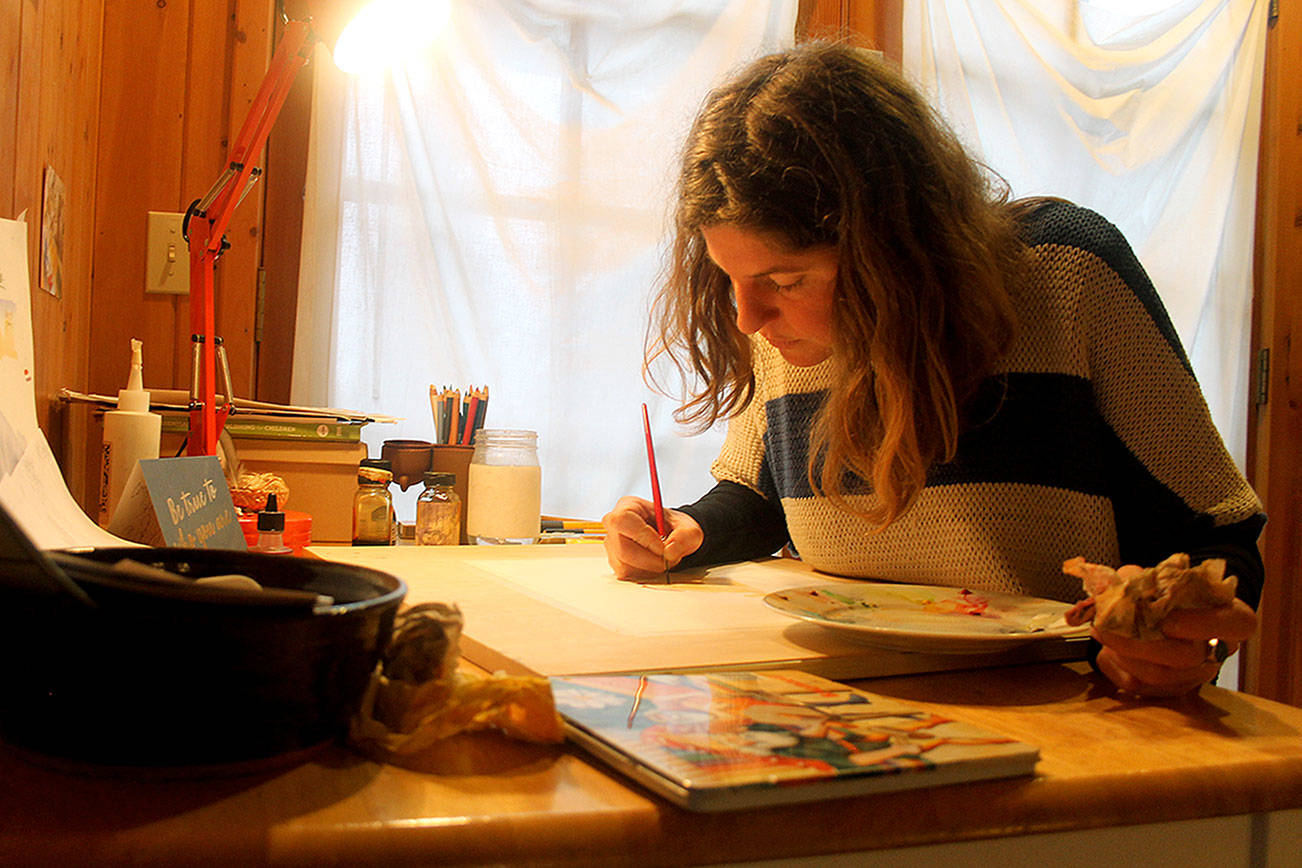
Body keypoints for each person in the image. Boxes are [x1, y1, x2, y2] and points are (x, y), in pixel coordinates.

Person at [602, 42, 1264, 697]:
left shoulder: (1069, 276)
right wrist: (691, 529)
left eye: (784, 278)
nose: (747, 318)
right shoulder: (784, 330)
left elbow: (1218, 540)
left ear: (893, 249)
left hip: (1063, 712)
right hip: (843, 700)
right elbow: (763, 497)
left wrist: (1187, 643)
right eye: (729, 279)